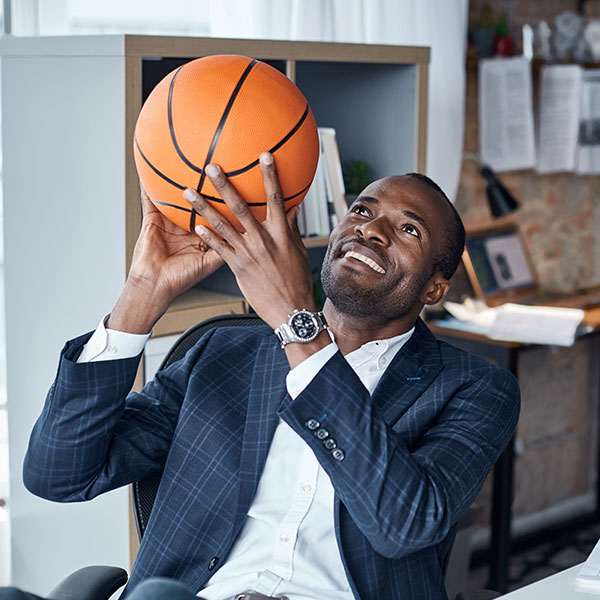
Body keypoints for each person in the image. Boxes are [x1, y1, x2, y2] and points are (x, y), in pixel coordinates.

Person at [17, 154, 519, 600]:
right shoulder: (223, 352)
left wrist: (296, 324)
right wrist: (141, 296)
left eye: (410, 230)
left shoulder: (475, 388)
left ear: (435, 288)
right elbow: (59, 474)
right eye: (362, 211)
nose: (371, 230)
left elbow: (404, 524)